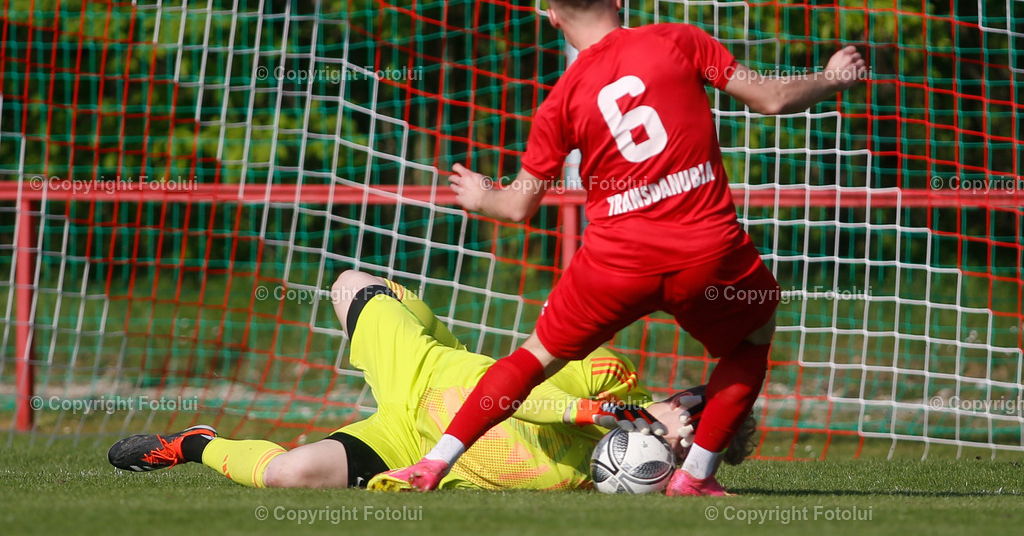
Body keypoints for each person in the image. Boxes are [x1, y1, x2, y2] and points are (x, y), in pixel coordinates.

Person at [370, 0, 866, 496]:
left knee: (532, 359)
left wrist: (479, 194)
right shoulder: (679, 41)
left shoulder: (560, 101)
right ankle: (696, 477)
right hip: (706, 253)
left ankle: (435, 462)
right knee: (750, 340)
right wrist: (831, 78)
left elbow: (516, 207)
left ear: (551, 16)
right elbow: (771, 100)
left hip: (613, 266)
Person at [107, 269, 755, 490]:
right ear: (677, 397)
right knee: (347, 286)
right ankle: (423, 319)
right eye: (693, 417)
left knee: (289, 477)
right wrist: (607, 416)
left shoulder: (619, 479)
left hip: (408, 441)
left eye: (698, 445)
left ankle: (189, 443)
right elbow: (517, 399)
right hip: (428, 372)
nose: (687, 435)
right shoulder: (612, 382)